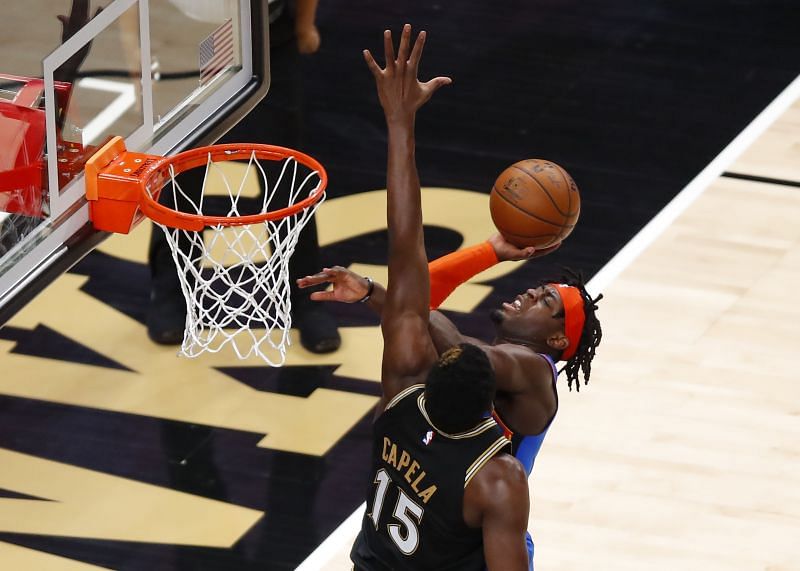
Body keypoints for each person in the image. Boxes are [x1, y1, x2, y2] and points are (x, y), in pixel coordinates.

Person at [299, 131, 603, 571]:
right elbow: (418, 307)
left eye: (547, 303)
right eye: (539, 288)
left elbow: (429, 317)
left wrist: (384, 293)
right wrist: (378, 292)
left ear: (558, 341)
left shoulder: (535, 372)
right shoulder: (467, 378)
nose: (532, 291)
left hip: (481, 535)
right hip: (436, 511)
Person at [346, 25, 530, 570]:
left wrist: (399, 121)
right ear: (492, 411)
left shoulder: (401, 393)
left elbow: (405, 247)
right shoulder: (496, 479)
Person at [146, 0, 341, 354]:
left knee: (287, 176)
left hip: (266, 41)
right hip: (188, 43)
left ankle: (307, 297)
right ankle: (171, 291)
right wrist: (135, 55)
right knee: (180, 173)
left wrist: (304, 26)